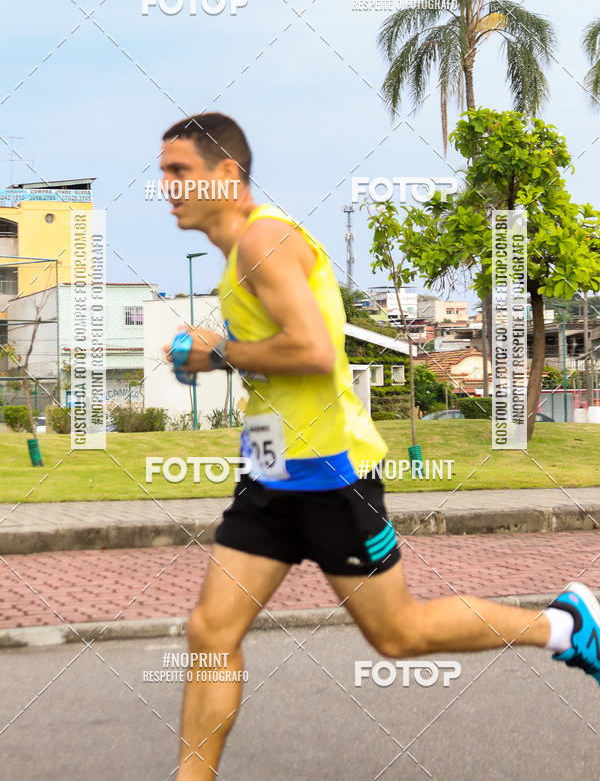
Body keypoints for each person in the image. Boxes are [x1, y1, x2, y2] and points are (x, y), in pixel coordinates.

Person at [160, 112, 600, 780]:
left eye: (180, 172)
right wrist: (225, 358)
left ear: (227, 176)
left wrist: (219, 350)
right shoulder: (238, 256)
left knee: (398, 636)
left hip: (331, 473)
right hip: (273, 473)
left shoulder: (263, 241)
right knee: (209, 633)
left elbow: (312, 350)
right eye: (163, 174)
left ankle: (567, 624)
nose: (167, 187)